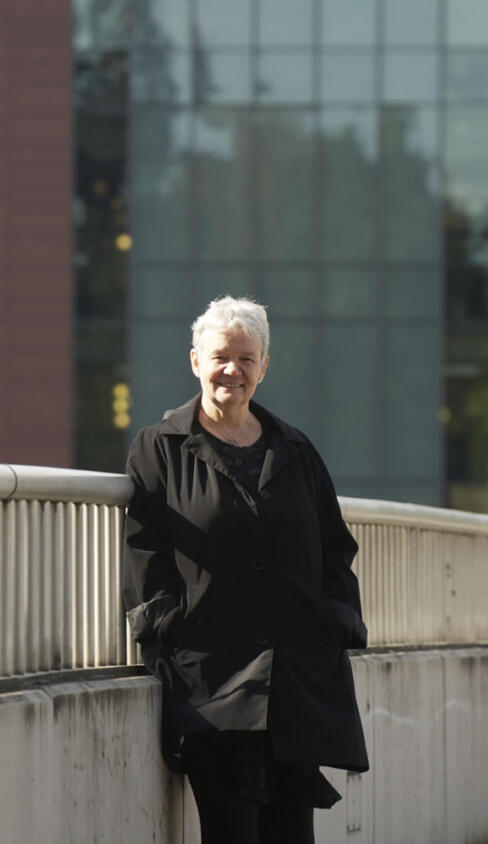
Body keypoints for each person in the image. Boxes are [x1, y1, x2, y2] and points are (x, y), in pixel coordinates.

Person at [121, 295, 368, 844]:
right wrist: (170, 630)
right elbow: (143, 554)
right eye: (220, 357)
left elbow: (334, 547)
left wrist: (338, 618)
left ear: (264, 367)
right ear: (195, 361)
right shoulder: (159, 448)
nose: (232, 370)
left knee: (292, 834)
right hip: (212, 686)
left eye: (247, 358)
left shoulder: (295, 450)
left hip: (296, 682)